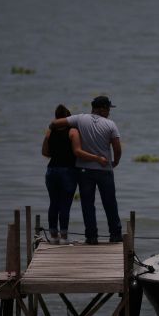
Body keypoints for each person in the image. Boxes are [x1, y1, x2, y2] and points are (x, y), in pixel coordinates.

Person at [49, 95, 122, 244]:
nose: (109, 112)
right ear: (102, 109)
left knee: (88, 204)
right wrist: (115, 162)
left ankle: (91, 237)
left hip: (83, 170)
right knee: (110, 203)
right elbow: (117, 147)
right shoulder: (110, 124)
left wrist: (52, 130)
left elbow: (55, 123)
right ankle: (115, 235)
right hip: (104, 169)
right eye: (108, 109)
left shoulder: (80, 119)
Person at [42, 104, 109, 243]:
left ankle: (53, 236)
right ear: (69, 118)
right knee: (65, 204)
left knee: (53, 203)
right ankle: (64, 237)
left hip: (51, 170)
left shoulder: (50, 132)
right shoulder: (72, 131)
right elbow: (77, 152)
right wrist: (98, 158)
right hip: (68, 171)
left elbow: (45, 152)